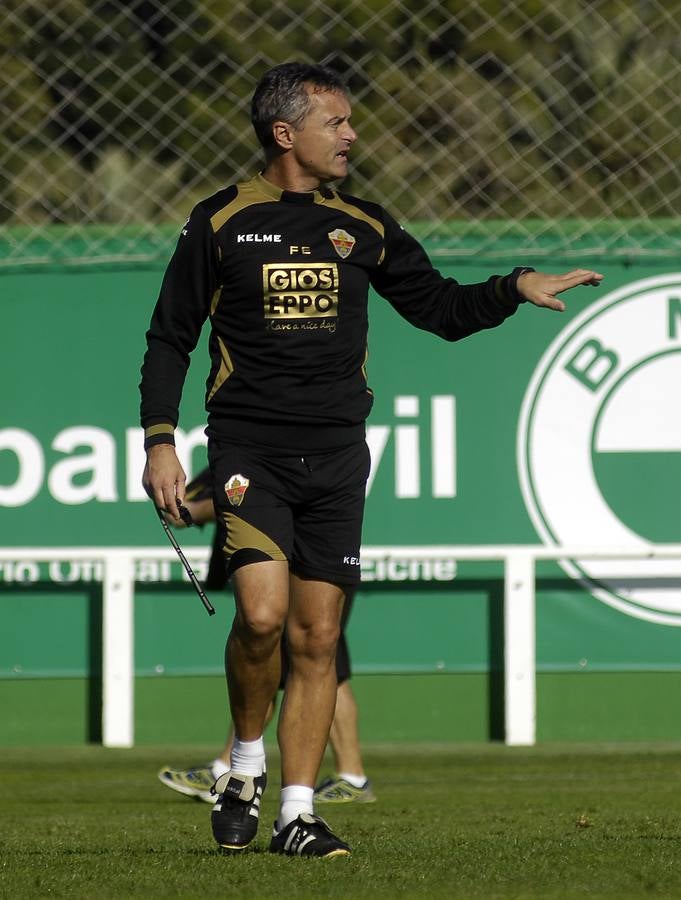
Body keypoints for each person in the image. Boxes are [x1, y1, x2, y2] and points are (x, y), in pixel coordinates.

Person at [139, 61, 603, 858]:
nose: (352, 134)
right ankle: (243, 764)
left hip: (339, 454)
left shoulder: (365, 224)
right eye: (337, 122)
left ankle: (295, 814)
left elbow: (440, 309)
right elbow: (169, 337)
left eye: (350, 122)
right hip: (249, 447)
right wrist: (159, 443)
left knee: (317, 639)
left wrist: (512, 286)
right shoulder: (218, 221)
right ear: (285, 133)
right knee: (260, 617)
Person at [157, 469, 375, 806]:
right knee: (291, 659)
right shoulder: (236, 447)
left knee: (311, 657)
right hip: (281, 557)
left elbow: (237, 499)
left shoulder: (280, 448)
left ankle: (347, 775)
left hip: (301, 557)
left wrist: (193, 511)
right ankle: (231, 766)